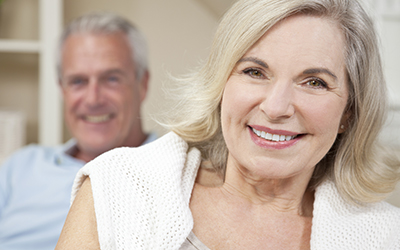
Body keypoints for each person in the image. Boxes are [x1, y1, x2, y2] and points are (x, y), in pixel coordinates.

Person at [57, 0, 400, 249]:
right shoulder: (116, 189)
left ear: (349, 112)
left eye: (314, 82)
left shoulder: (384, 236)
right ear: (221, 85)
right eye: (254, 72)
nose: (276, 107)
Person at [0, 12, 157, 250]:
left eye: (111, 79)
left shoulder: (178, 169)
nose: (93, 99)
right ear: (62, 89)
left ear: (142, 84)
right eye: (78, 81)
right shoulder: (21, 166)